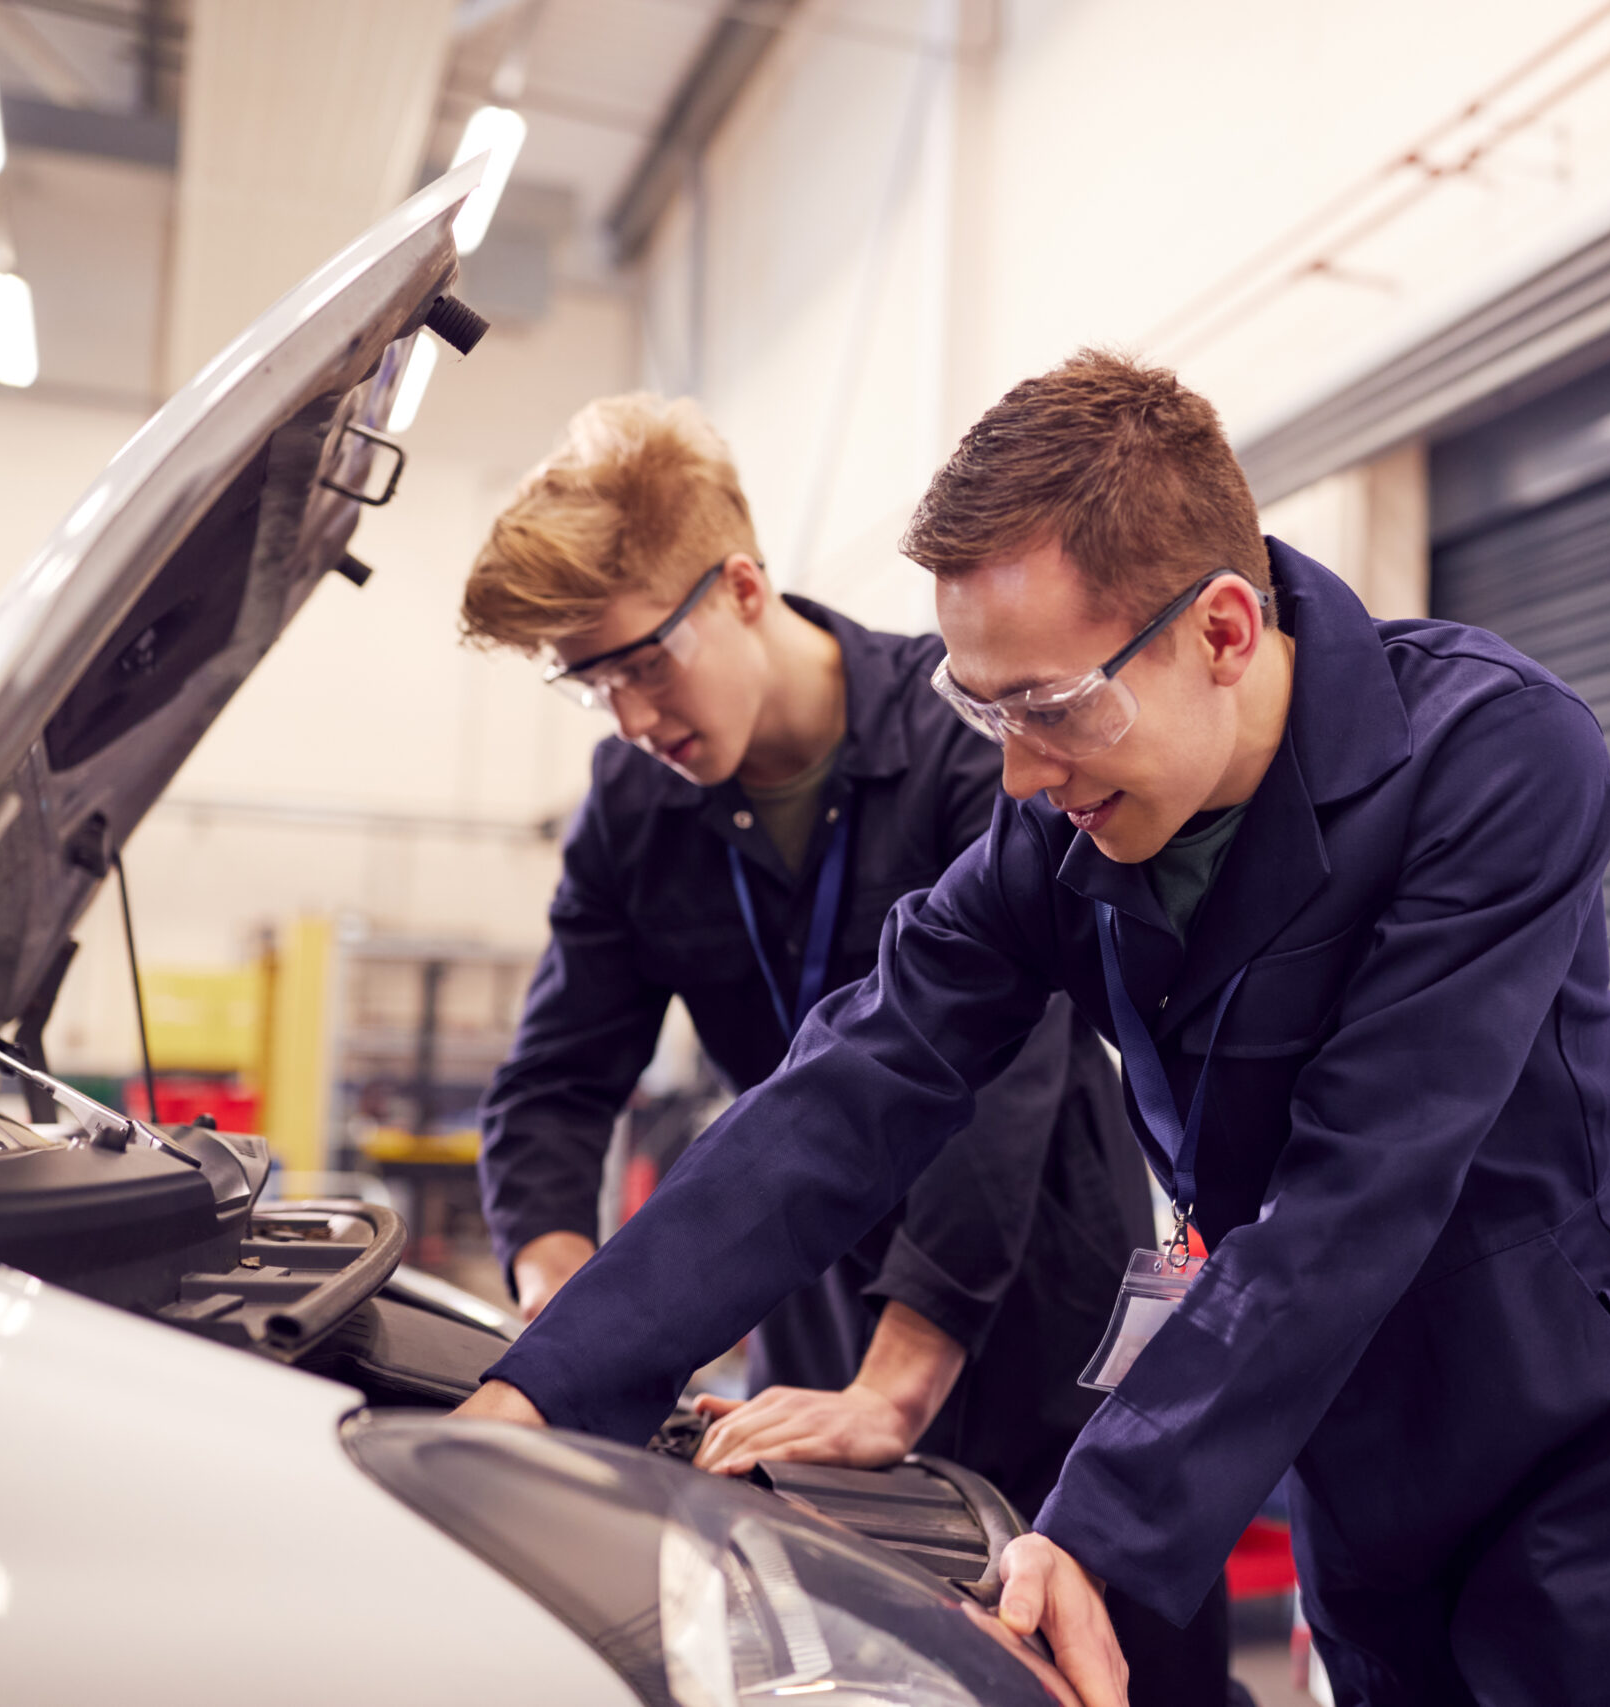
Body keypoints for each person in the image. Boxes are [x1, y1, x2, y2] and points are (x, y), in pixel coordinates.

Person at [460, 355, 1610, 1707]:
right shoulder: (1060, 828)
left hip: (1565, 1434)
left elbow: (1360, 1189)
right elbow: (853, 1082)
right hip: (1333, 1421)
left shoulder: (1497, 761)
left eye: (1053, 706)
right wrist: (551, 1383)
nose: (1017, 772)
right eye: (984, 707)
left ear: (1226, 635)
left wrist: (1099, 1523)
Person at [458, 394, 1231, 1700]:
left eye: (641, 659)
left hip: (1037, 1275)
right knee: (841, 1665)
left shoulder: (966, 738)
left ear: (740, 588)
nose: (629, 713)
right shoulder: (635, 808)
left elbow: (995, 1083)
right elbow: (557, 1079)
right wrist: (567, 1316)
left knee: (1109, 1652)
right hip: (809, 1266)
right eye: (590, 680)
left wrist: (896, 1388)